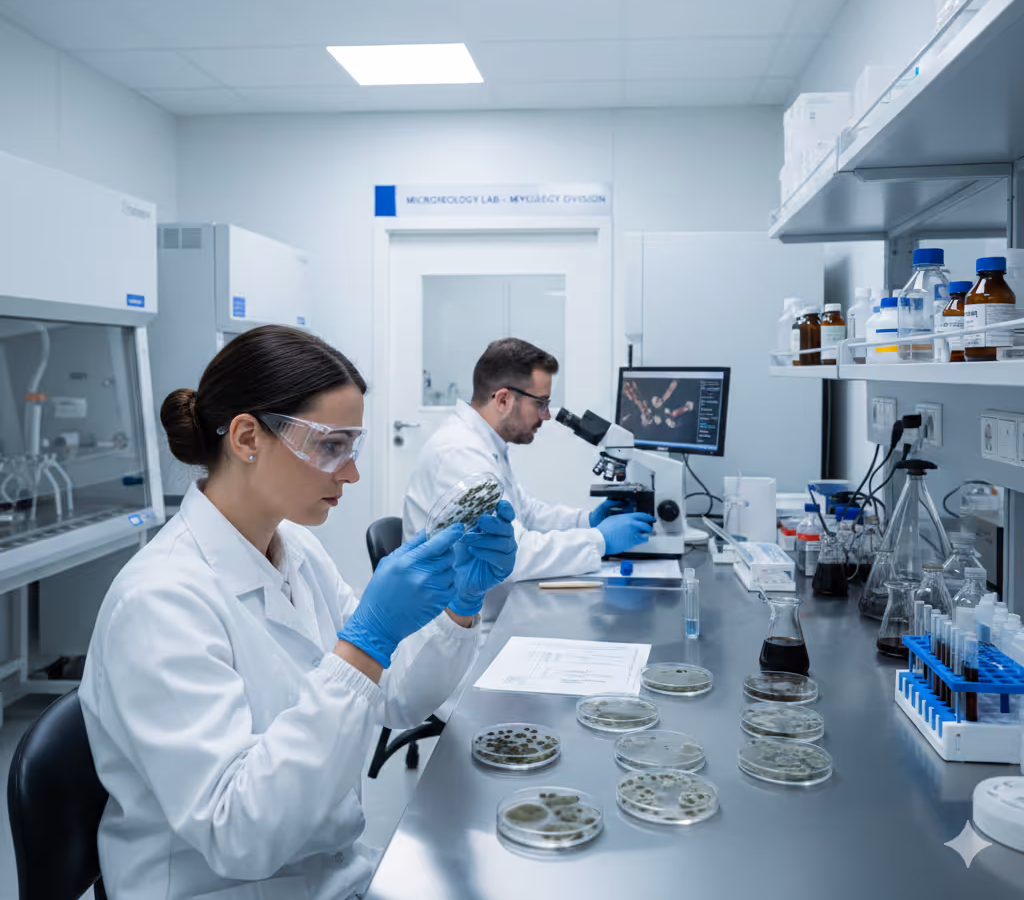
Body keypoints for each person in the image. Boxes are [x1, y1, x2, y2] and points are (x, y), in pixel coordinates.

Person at [79, 326, 517, 900]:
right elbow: (240, 832)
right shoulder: (160, 601)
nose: (351, 472)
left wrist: (461, 606)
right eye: (331, 445)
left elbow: (397, 698)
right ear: (245, 437)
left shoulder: (295, 550)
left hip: (324, 874)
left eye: (352, 447)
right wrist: (363, 644)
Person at [404, 338, 655, 611]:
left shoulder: (485, 445)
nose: (546, 416)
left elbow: (527, 513)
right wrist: (600, 540)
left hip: (489, 610)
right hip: (455, 631)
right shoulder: (461, 455)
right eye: (541, 403)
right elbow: (514, 554)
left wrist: (587, 520)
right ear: (503, 399)